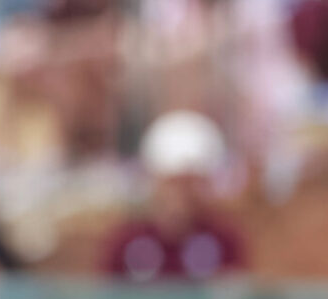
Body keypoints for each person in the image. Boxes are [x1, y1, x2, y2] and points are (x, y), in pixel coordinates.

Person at [99, 110, 247, 283]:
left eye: (189, 184)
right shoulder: (124, 242)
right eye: (172, 183)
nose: (179, 196)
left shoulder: (226, 241)